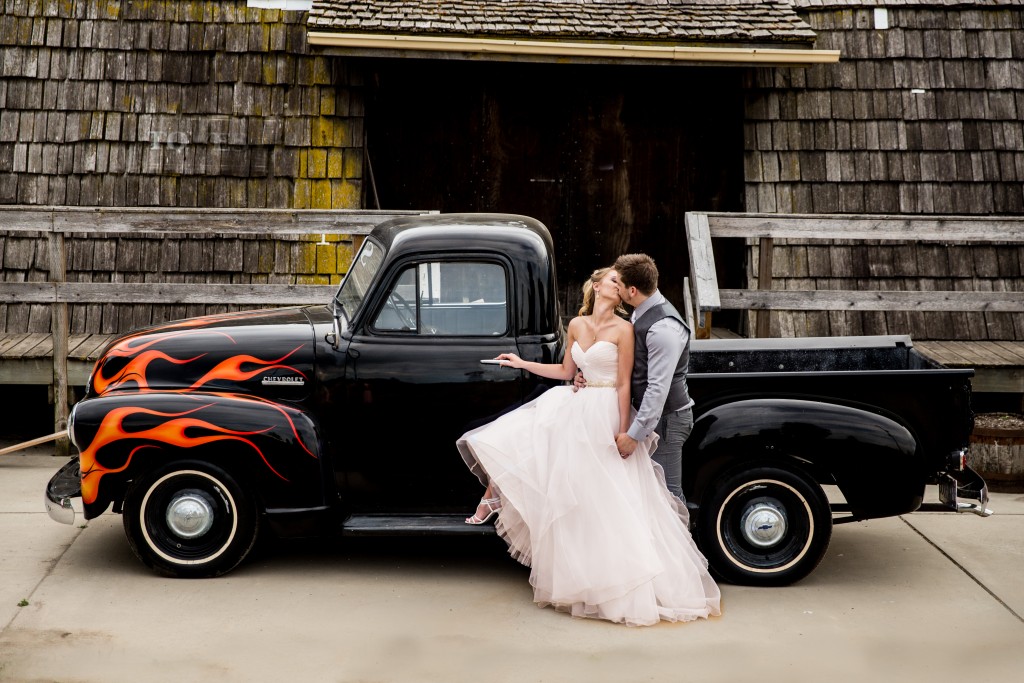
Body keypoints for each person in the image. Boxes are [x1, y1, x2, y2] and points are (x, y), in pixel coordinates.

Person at [457, 267, 720, 626]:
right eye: (611, 279)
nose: (618, 286)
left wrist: (626, 431)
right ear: (596, 286)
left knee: (611, 498)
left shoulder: (625, 329)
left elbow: (626, 384)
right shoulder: (576, 325)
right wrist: (522, 363)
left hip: (608, 410)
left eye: (620, 281)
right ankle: (506, 506)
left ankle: (622, 581)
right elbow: (567, 371)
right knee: (564, 483)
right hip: (577, 407)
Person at [579, 253, 692, 499]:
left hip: (666, 420)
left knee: (666, 496)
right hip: (649, 416)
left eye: (617, 284)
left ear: (631, 290)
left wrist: (633, 435)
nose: (614, 288)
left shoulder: (664, 329)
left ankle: (682, 538)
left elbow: (657, 389)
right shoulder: (640, 310)